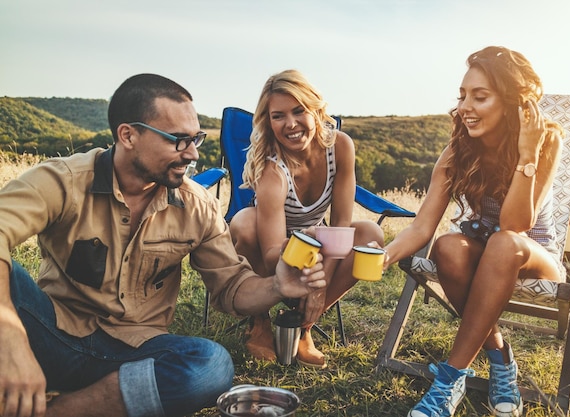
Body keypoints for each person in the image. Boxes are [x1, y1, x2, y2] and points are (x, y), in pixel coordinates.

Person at [0, 73, 326, 417]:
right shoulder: (63, 181)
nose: (192, 154)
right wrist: (11, 338)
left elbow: (232, 286)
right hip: (51, 337)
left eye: (196, 139)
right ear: (128, 135)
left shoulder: (196, 205)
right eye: (178, 140)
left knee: (211, 365)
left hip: (136, 353)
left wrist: (276, 285)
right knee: (11, 280)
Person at [381, 46, 565, 417]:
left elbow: (516, 227)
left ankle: (449, 379)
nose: (465, 106)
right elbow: (422, 227)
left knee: (503, 241)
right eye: (462, 95)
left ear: (513, 102)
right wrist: (385, 255)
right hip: (483, 246)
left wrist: (527, 155)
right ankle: (500, 359)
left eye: (480, 96)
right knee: (448, 246)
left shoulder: (545, 141)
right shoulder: (457, 151)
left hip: (531, 251)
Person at [228, 69, 384, 368]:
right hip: (276, 249)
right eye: (278, 116)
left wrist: (319, 286)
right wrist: (311, 264)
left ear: (316, 110)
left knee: (370, 236)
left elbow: (340, 226)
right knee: (244, 223)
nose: (290, 124)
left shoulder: (339, 146)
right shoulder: (272, 170)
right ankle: (258, 319)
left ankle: (303, 325)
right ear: (268, 121)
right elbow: (274, 252)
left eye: (299, 111)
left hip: (320, 238)